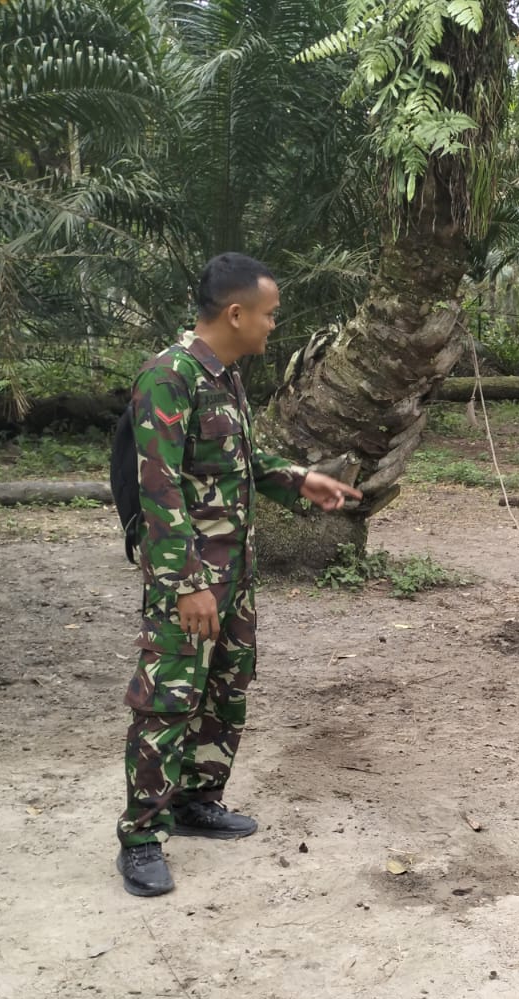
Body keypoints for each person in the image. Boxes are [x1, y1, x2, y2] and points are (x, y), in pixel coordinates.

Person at [116, 253, 361, 896]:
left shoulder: (223, 377)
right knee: (168, 700)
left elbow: (243, 459)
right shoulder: (168, 377)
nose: (273, 325)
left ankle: (196, 800)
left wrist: (301, 481)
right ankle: (141, 836)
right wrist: (188, 583)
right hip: (192, 577)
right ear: (235, 313)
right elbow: (158, 489)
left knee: (226, 690)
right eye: (269, 314)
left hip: (237, 574)